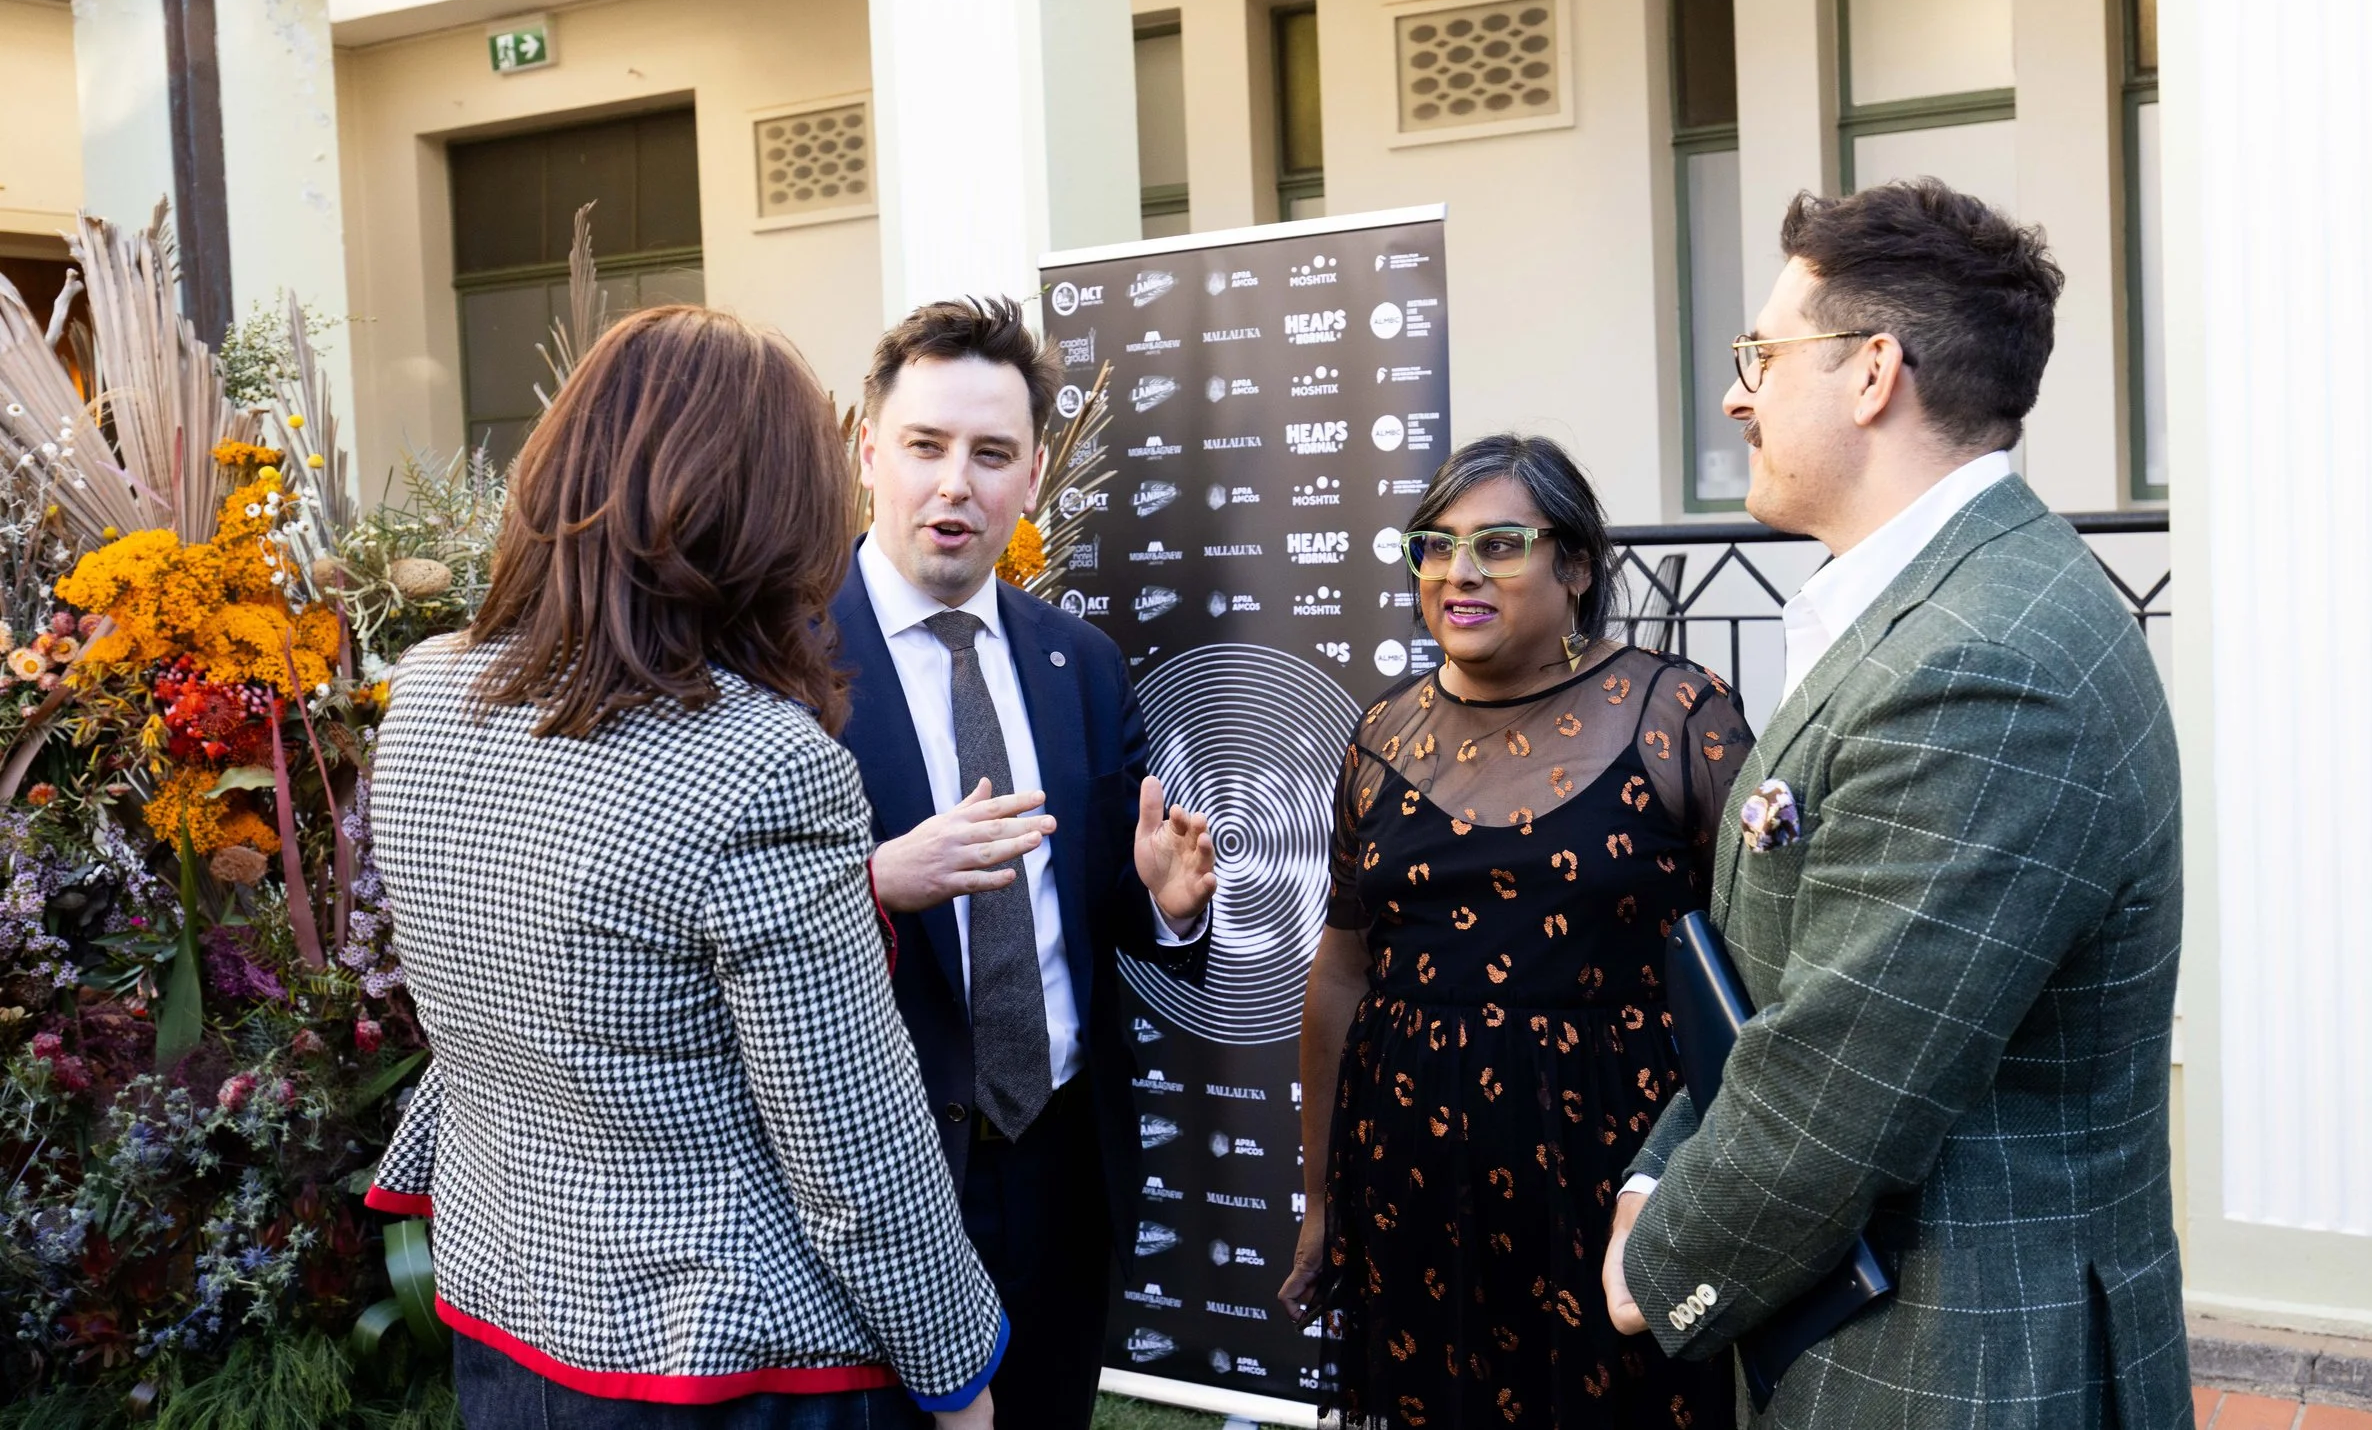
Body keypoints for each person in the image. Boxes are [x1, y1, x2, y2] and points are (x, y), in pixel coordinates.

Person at [1601, 180, 2192, 1426]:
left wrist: (1658, 1259)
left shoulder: (1982, 663)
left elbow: (1839, 1082)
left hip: (1961, 1364)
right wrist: (1658, 1166)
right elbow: (1787, 987)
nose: (1737, 395)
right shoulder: (1944, 605)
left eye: (1762, 354)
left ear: (1872, 372)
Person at [365, 307, 1005, 1427]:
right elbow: (852, 1143)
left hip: (508, 1322)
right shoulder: (763, 762)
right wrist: (959, 1374)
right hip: (724, 1361)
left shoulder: (425, 689)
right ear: (771, 515)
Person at [1277, 433, 1751, 1430]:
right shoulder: (1381, 734)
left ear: (1574, 565)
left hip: (1617, 1167)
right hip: (1412, 1173)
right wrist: (1322, 1198)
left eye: (1498, 544)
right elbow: (1342, 972)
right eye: (1435, 545)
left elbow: (1755, 964)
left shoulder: (1678, 717)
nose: (1458, 572)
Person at [834, 295, 1218, 1430]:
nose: (955, 484)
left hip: (1060, 1168)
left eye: (991, 453)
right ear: (868, 451)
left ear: (1034, 474)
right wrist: (876, 879)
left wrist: (1166, 903)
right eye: (925, 445)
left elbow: (1105, 908)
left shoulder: (1080, 663)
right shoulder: (783, 665)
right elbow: (720, 913)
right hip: (878, 1179)